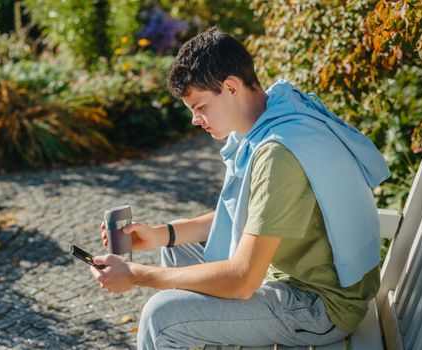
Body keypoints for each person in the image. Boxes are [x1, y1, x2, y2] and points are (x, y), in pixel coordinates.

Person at [89, 26, 390, 350]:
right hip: (319, 281)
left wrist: (135, 274)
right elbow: (248, 214)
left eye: (200, 107)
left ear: (231, 87)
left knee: (161, 319)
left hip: (319, 306)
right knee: (174, 248)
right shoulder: (282, 111)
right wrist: (161, 233)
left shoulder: (278, 154)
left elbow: (243, 280)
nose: (195, 119)